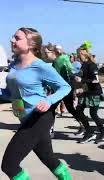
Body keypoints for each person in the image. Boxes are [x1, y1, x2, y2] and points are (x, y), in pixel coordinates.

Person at [0, 27, 72, 180]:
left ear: (31, 44)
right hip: (24, 116)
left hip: (39, 117)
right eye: (13, 37)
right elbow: (11, 93)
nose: (12, 40)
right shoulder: (14, 65)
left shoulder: (40, 66)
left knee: (9, 165)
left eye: (17, 38)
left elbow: (65, 87)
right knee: (48, 158)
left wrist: (48, 100)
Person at [43, 43, 84, 135]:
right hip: (58, 88)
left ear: (53, 52)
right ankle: (83, 126)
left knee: (55, 108)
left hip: (64, 89)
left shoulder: (62, 59)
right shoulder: (55, 61)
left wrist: (74, 86)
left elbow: (71, 72)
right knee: (63, 108)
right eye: (44, 53)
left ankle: (84, 126)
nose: (45, 55)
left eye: (47, 53)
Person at [74, 41, 104, 144]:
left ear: (83, 54)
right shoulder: (83, 65)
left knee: (93, 113)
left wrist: (82, 80)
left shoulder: (91, 65)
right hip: (87, 92)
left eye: (78, 54)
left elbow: (96, 80)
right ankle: (89, 132)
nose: (77, 57)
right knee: (79, 110)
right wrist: (80, 87)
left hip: (95, 92)